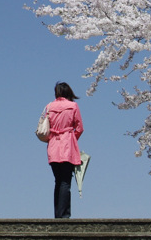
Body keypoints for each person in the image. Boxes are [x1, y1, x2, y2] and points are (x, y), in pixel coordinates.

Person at [45, 82, 84, 219]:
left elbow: (45, 126)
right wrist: (72, 138)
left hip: (53, 145)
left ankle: (58, 214)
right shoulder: (73, 106)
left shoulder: (49, 107)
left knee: (58, 181)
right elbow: (79, 128)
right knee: (66, 182)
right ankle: (64, 216)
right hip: (68, 145)